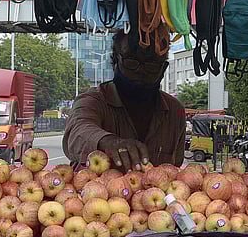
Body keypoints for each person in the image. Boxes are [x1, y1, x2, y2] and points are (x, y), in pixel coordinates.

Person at [63, 26, 185, 171]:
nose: (140, 72)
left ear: (163, 69)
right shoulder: (92, 100)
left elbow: (175, 167)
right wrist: (108, 142)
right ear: (115, 62)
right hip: (95, 193)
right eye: (131, 62)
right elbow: (78, 131)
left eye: (151, 65)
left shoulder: (174, 111)